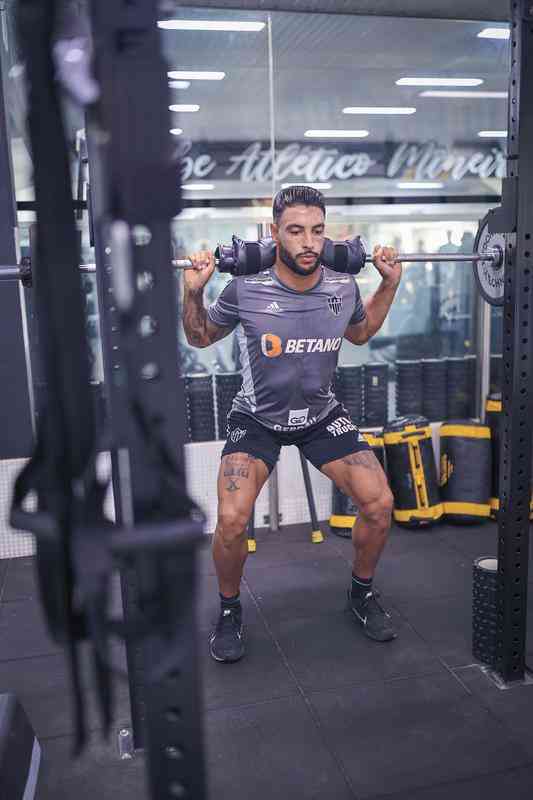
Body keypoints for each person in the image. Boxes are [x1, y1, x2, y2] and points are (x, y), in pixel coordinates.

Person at [183, 185, 402, 663]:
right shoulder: (245, 286)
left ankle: (361, 595)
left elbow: (361, 334)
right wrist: (193, 294)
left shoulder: (343, 286)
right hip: (257, 416)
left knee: (379, 502)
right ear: (274, 233)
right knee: (232, 519)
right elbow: (200, 338)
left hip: (321, 415)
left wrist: (389, 284)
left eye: (318, 231)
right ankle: (229, 610)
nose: (309, 242)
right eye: (296, 231)